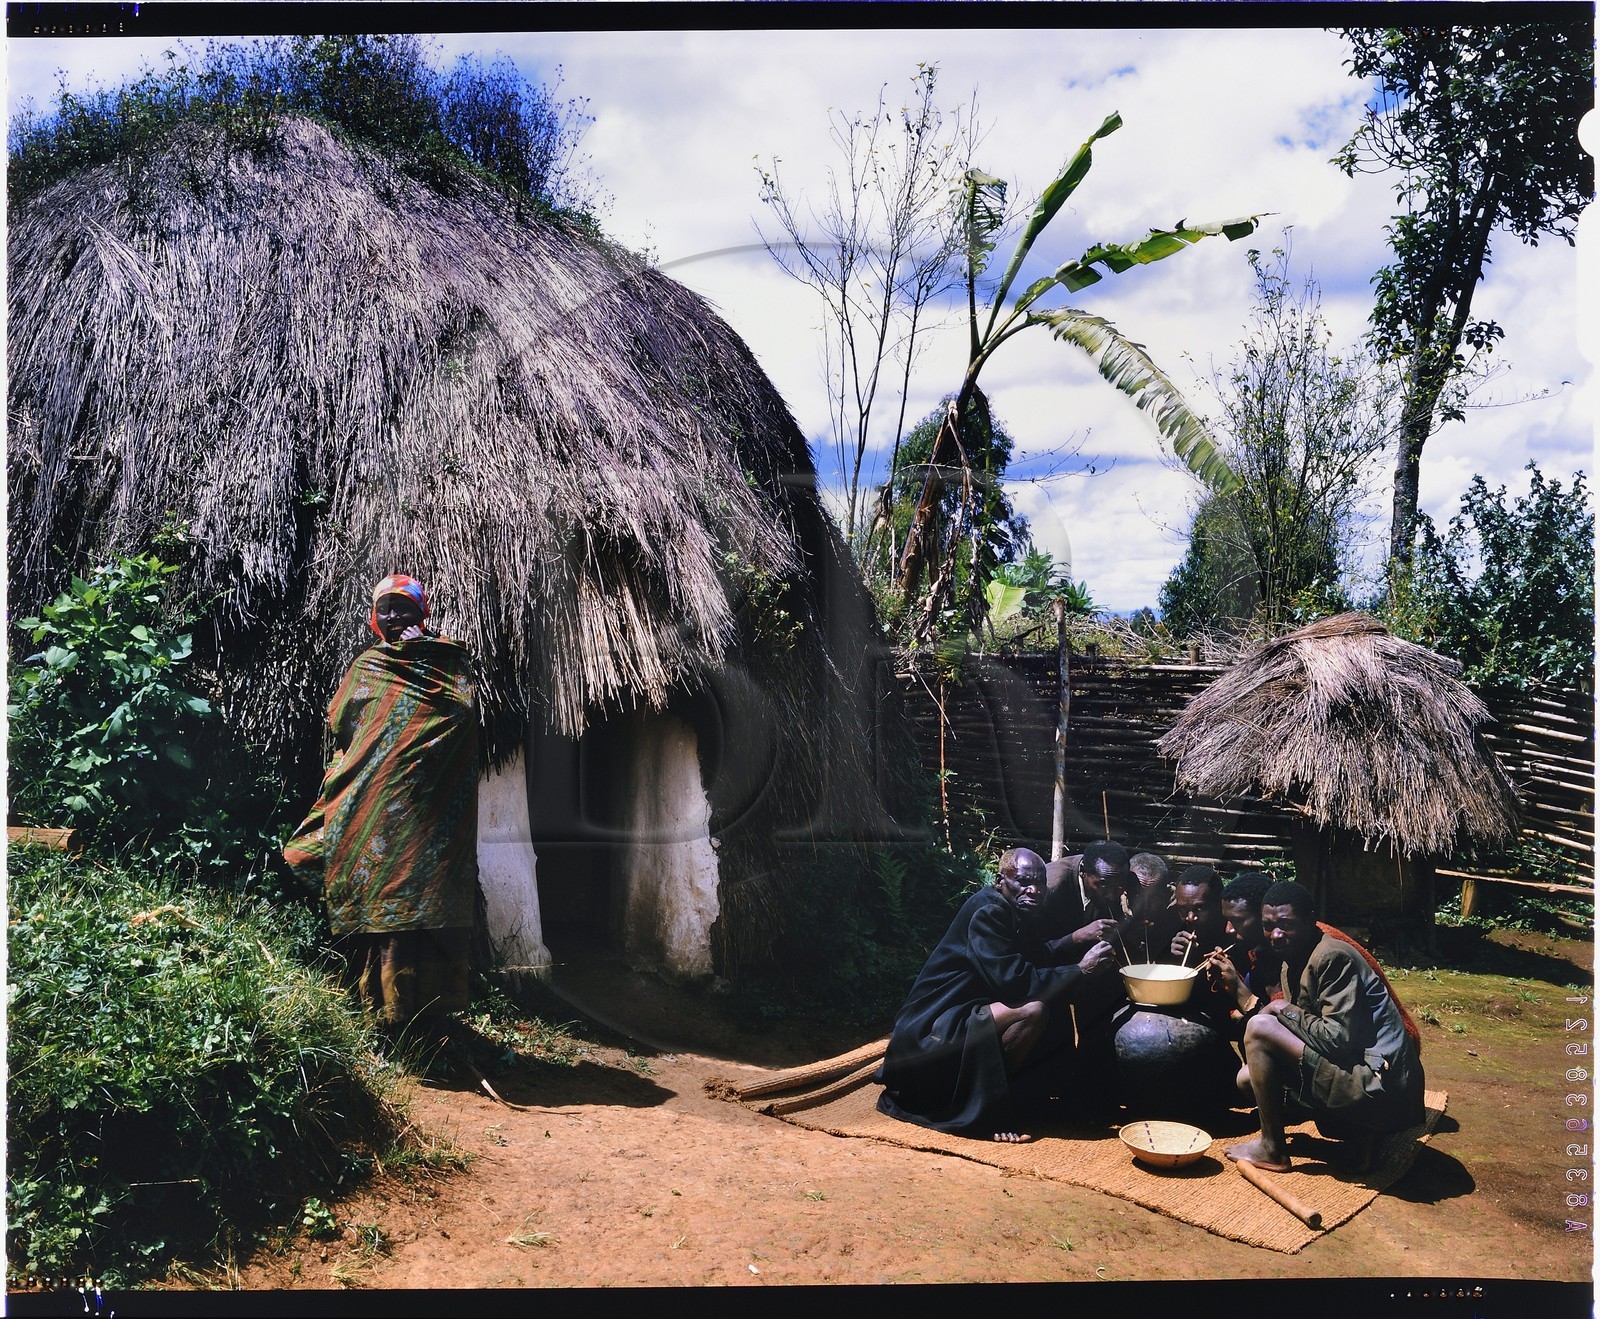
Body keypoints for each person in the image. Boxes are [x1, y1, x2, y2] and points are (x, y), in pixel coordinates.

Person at [284, 573, 479, 1033]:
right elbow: (343, 720)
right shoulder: (368, 665)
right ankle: (377, 1017)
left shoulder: (447, 662)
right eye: (385, 608)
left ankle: (416, 1026)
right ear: (374, 618)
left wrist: (422, 652)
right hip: (370, 799)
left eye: (403, 608)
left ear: (421, 612)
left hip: (423, 813)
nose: (393, 617)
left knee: (411, 910)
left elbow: (462, 715)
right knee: (353, 888)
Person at [876, 847, 1118, 1142]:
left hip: (964, 1010)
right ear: (1000, 880)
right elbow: (1017, 982)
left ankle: (1023, 1093)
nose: (1034, 890)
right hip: (933, 1025)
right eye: (1023, 882)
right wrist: (1081, 969)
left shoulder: (1015, 908)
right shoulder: (989, 912)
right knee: (1033, 1011)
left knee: (1048, 998)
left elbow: (1036, 957)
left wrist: (1074, 938)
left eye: (1040, 883)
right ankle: (987, 1110)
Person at [1226, 880, 1426, 1172]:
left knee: (1260, 1028)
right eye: (1269, 926)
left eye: (1286, 924)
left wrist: (1283, 1008)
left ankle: (1272, 1148)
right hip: (1365, 1076)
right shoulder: (1293, 958)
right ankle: (1359, 1136)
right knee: (1248, 1077)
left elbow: (1337, 1040)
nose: (1276, 934)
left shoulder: (1332, 956)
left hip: (1384, 1088)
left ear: (1310, 920)